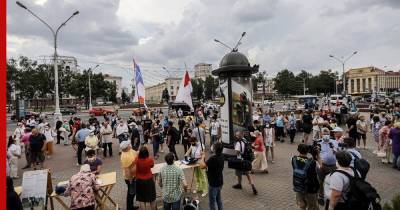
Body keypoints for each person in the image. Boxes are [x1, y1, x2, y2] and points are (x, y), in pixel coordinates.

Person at [291, 144, 319, 210]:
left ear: (298, 150)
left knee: (302, 204)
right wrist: (318, 155)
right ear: (308, 151)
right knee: (312, 206)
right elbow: (321, 168)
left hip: (298, 185)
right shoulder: (312, 162)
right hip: (310, 188)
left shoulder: (293, 159)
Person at [316, 128, 338, 205]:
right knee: (320, 181)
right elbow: (316, 155)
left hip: (333, 166)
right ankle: (321, 196)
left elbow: (337, 152)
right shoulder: (318, 143)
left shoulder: (334, 142)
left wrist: (333, 148)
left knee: (332, 182)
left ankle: (331, 197)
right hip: (322, 166)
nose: (326, 135)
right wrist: (320, 164)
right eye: (324, 134)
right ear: (321, 134)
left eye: (327, 134)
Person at [200, 142, 224, 210]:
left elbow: (202, 166)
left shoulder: (213, 158)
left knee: (212, 202)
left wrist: (202, 156)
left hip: (213, 183)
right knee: (219, 200)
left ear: (215, 149)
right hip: (220, 182)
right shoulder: (222, 156)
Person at [232, 131, 258, 195]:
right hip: (246, 160)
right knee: (247, 174)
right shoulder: (245, 140)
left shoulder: (238, 143)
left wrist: (233, 152)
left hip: (240, 161)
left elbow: (237, 152)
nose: (236, 136)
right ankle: (252, 185)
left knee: (238, 173)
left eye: (237, 135)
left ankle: (239, 184)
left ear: (239, 136)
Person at [120, 141, 139, 210]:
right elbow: (127, 170)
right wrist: (130, 180)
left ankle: (131, 206)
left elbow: (136, 153)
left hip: (134, 176)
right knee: (131, 193)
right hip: (130, 178)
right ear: (126, 147)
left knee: (132, 192)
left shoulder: (130, 150)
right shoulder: (125, 156)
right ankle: (129, 207)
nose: (130, 145)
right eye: (128, 144)